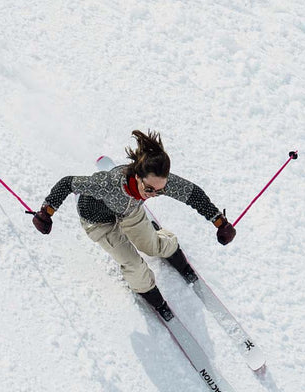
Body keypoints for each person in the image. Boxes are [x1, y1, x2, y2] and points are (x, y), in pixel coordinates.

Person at [32, 130, 236, 321]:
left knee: (153, 246)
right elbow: (67, 182)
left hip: (129, 211)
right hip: (98, 221)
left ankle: (170, 249)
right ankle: (152, 295)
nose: (154, 194)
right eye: (149, 189)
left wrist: (219, 222)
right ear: (137, 175)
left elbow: (193, 194)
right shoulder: (107, 184)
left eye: (159, 190)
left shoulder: (156, 183)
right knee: (134, 265)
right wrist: (46, 212)